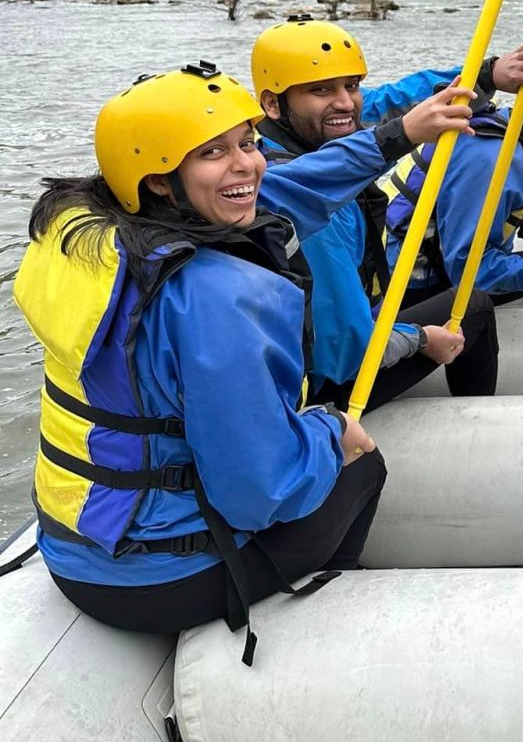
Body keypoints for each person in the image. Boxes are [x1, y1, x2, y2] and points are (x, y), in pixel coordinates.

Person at [13, 60, 471, 662]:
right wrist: (332, 431)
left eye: (249, 143)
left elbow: (297, 186)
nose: (248, 164)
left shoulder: (91, 239)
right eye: (213, 153)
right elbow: (261, 492)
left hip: (73, 548)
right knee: (363, 462)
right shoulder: (214, 299)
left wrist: (399, 134)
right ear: (157, 178)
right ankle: (319, 624)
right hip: (160, 581)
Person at [251, 15, 523, 410]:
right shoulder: (314, 219)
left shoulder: (277, 135)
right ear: (273, 103)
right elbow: (345, 352)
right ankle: (476, 426)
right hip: (329, 385)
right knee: (472, 305)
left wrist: (487, 74)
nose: (345, 102)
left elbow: (386, 102)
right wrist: (422, 338)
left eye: (351, 85)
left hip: (349, 322)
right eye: (321, 90)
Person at [384, 56, 523, 305]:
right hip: (404, 290)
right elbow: (465, 270)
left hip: (437, 266)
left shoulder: (512, 133)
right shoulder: (489, 158)